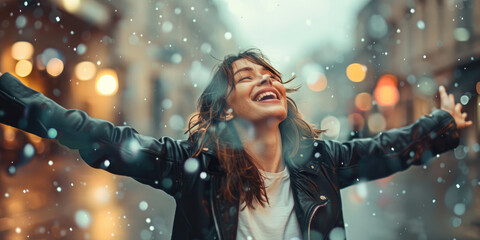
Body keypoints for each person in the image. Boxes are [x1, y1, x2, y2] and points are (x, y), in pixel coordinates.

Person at [0, 49, 472, 240]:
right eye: (247, 77)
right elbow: (96, 135)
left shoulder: (322, 162)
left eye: (270, 76)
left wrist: (444, 126)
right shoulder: (191, 165)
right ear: (225, 109)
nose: (267, 80)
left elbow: (388, 148)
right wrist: (12, 99)